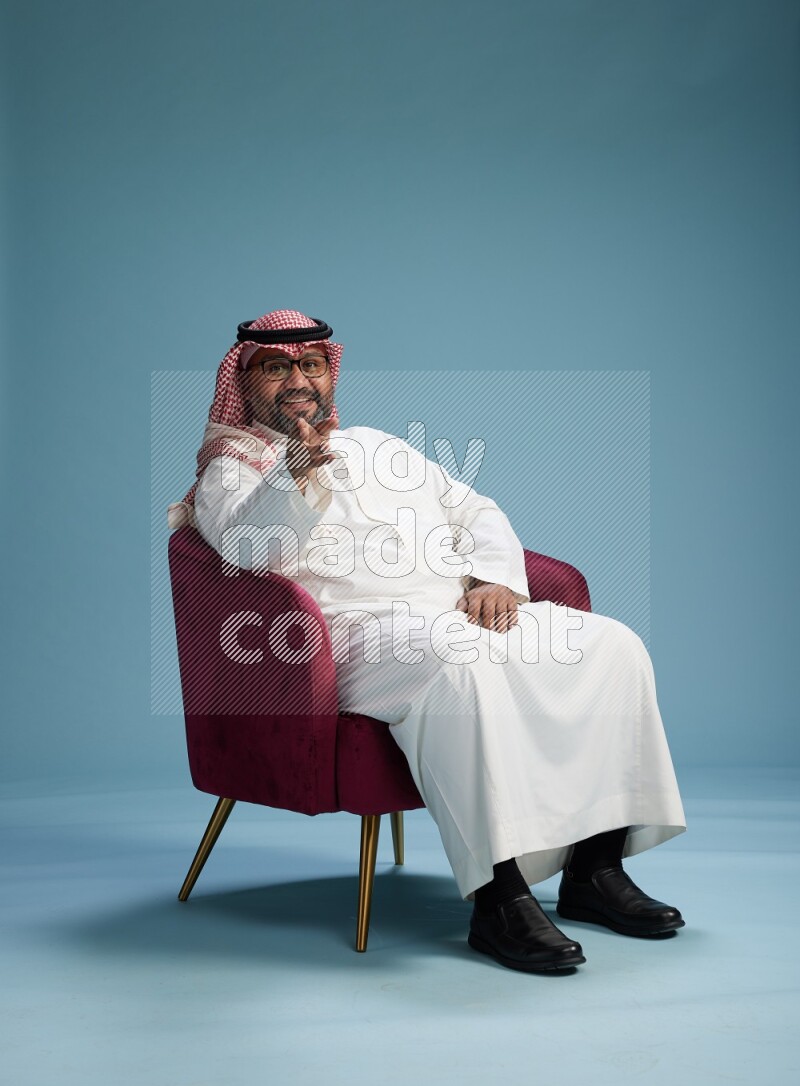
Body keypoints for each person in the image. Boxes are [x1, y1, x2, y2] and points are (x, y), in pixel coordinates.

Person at [168, 308, 687, 974]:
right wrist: (293, 473)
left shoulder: (378, 445)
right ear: (247, 382)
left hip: (453, 613)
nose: (298, 380)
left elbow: (476, 510)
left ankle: (594, 870)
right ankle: (499, 900)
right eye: (277, 367)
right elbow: (253, 554)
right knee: (461, 667)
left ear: (330, 371)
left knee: (610, 647)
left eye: (311, 365)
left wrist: (496, 579)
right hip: (343, 641)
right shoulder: (230, 472)